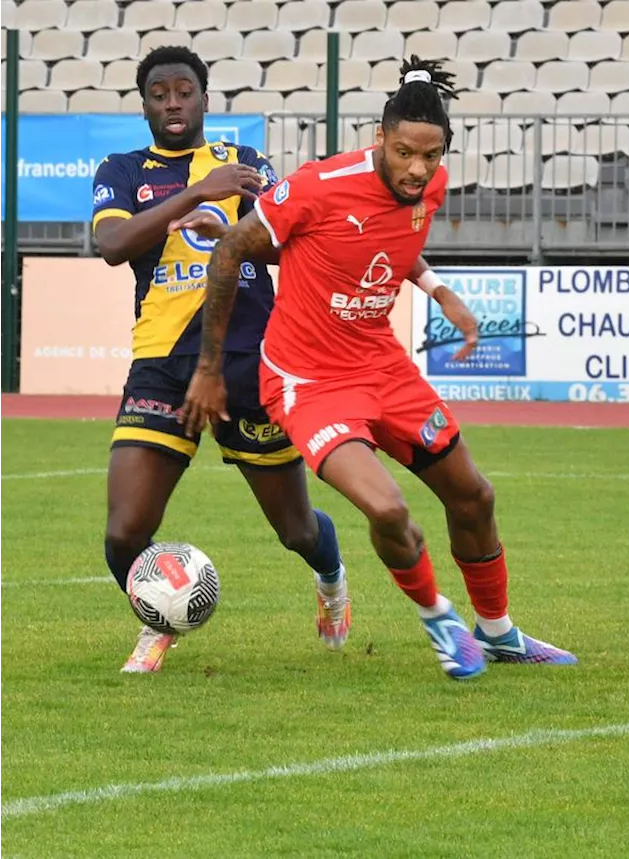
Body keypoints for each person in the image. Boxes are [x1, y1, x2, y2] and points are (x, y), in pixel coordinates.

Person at [183, 57, 576, 681]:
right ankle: (439, 619)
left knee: (474, 497)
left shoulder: (429, 188)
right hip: (307, 382)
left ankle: (498, 633)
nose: (418, 169)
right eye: (404, 153)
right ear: (379, 140)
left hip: (382, 366)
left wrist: (439, 289)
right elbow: (232, 248)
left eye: (432, 155)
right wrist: (208, 368)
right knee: (389, 510)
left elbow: (387, 248)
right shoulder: (318, 185)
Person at [91, 46, 355, 674]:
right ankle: (159, 620)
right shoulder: (124, 168)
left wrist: (231, 231)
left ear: (205, 98)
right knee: (124, 532)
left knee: (295, 529)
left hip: (246, 360)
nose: (173, 103)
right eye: (159, 94)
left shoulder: (242, 164)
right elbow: (111, 243)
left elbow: (288, 244)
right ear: (146, 104)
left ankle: (332, 579)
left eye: (185, 91)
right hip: (160, 362)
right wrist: (195, 196)